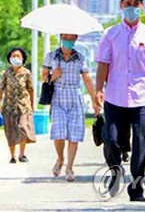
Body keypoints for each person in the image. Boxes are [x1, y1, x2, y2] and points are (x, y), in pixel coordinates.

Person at [95, 0, 145, 202]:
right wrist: (98, 90)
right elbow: (102, 65)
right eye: (127, 5)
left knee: (140, 143)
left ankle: (136, 189)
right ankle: (115, 172)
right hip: (114, 97)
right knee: (112, 141)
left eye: (135, 5)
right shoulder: (110, 34)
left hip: (141, 98)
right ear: (120, 5)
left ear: (141, 6)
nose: (131, 9)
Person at [42, 34, 99, 182]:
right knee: (59, 132)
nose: (68, 40)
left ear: (75, 38)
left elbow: (87, 78)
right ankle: (60, 158)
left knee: (74, 135)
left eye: (71, 37)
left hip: (75, 95)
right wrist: (53, 76)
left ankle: (69, 167)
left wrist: (94, 99)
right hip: (58, 96)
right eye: (65, 37)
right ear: (61, 37)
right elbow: (44, 76)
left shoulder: (80, 57)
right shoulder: (51, 56)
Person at [0, 47, 36, 163]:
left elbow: (31, 90)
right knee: (10, 131)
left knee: (23, 128)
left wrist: (32, 105)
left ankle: (22, 154)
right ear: (9, 59)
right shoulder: (6, 73)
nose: (16, 58)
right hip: (9, 107)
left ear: (23, 58)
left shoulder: (26, 73)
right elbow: (0, 90)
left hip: (24, 106)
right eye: (13, 56)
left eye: (18, 56)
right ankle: (13, 155)